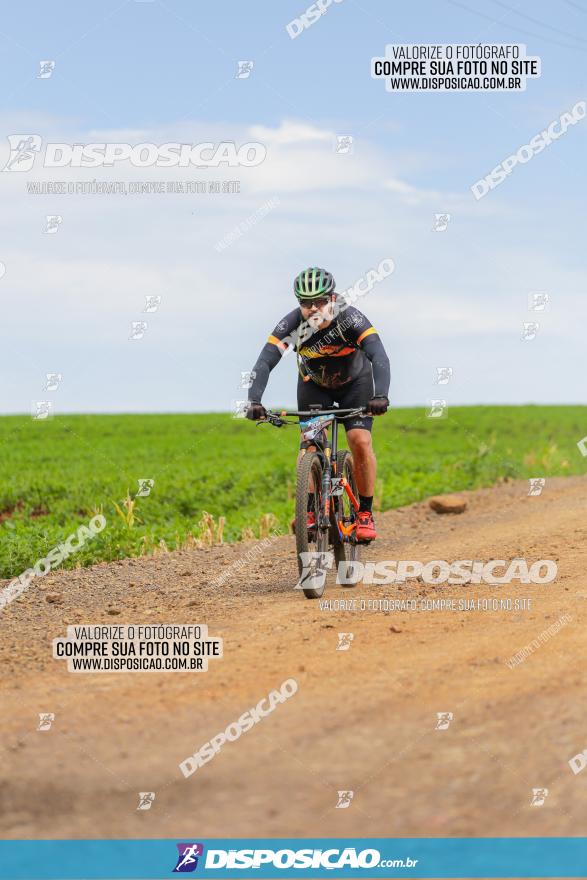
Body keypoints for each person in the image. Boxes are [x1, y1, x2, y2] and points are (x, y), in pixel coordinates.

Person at [246, 267, 390, 541]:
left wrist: (380, 395)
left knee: (359, 440)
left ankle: (365, 513)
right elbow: (265, 361)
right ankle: (310, 510)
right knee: (310, 443)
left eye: (320, 302)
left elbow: (379, 355)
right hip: (315, 388)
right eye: (305, 303)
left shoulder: (351, 318)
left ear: (333, 299)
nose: (314, 309)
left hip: (355, 385)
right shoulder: (291, 325)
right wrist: (254, 400)